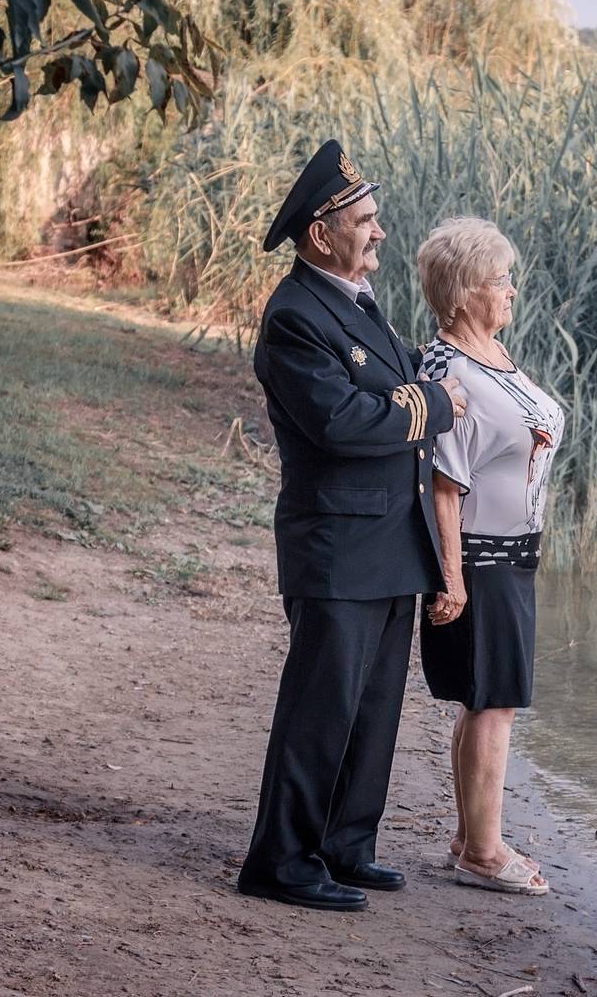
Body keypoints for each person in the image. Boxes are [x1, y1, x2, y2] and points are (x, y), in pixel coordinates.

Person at [237, 140, 467, 912]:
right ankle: (281, 862)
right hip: (338, 544)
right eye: (364, 220)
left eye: (374, 218)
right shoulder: (295, 315)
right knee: (321, 709)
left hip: (390, 539)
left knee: (371, 710)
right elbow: (340, 422)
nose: (379, 232)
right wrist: (434, 406)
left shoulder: (355, 301)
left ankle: (344, 845)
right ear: (320, 233)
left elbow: (392, 385)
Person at [415, 217, 564, 896]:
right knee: (492, 703)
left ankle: (468, 837)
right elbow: (443, 486)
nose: (511, 291)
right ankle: (483, 851)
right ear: (464, 291)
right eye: (500, 280)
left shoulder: (491, 355)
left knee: (483, 700)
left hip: (511, 557)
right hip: (478, 558)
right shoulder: (448, 368)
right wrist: (452, 578)